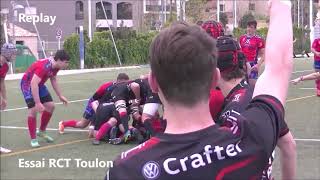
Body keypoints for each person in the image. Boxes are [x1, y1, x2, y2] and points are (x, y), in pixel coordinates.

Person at [106, 0, 293, 179]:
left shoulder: (126, 169)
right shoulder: (249, 140)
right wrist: (281, 6)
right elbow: (278, 67)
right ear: (215, 78)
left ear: (153, 83)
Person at [215, 36, 296, 180]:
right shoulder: (261, 96)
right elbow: (289, 145)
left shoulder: (230, 114)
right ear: (244, 65)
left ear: (214, 72)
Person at [20, 50, 69, 148]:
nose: (67, 64)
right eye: (66, 62)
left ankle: (42, 131)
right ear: (59, 60)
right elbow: (33, 84)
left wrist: (60, 95)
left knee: (51, 106)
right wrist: (37, 103)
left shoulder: (56, 66)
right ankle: (33, 139)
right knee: (33, 110)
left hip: (39, 84)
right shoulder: (44, 66)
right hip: (28, 84)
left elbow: (53, 79)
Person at [58, 73, 129, 134]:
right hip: (94, 103)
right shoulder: (106, 87)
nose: (125, 85)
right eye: (124, 83)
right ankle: (63, 124)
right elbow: (95, 100)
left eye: (126, 83)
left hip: (104, 106)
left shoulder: (124, 88)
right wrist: (93, 123)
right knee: (82, 124)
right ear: (118, 81)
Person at [0, 43, 17, 153]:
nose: (14, 55)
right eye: (13, 53)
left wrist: (4, 98)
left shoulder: (5, 66)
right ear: (7, 53)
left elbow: (1, 82)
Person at [239, 20, 265, 87]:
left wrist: (258, 65)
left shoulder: (258, 40)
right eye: (248, 27)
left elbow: (264, 54)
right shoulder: (242, 38)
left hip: (253, 65)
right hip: (242, 65)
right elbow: (239, 52)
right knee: (242, 86)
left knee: (252, 86)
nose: (248, 29)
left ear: (255, 29)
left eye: (251, 27)